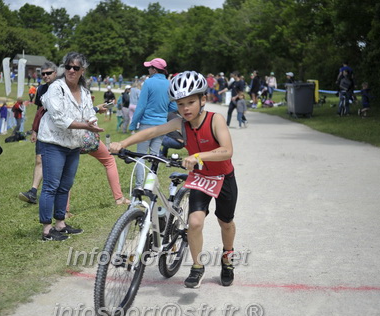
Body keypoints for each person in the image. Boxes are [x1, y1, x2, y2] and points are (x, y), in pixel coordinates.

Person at [110, 71, 238, 288]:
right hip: (201, 177)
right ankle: (197, 267)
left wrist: (198, 156)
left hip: (223, 177)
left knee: (225, 223)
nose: (185, 108)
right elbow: (151, 132)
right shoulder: (180, 123)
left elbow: (227, 151)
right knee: (194, 223)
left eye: (190, 102)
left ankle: (227, 259)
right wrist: (123, 143)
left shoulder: (215, 120)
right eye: (180, 104)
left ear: (203, 100)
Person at [38, 51, 104, 241]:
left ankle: (60, 223)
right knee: (51, 185)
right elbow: (59, 118)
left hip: (73, 144)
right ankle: (46, 229)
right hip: (53, 142)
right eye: (68, 66)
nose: (71, 70)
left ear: (82, 70)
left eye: (76, 67)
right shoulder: (56, 88)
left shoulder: (83, 91)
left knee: (65, 185)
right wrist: (85, 126)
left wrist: (92, 121)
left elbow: (89, 112)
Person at [129, 57, 178, 188]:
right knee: (155, 156)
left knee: (141, 157)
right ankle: (150, 185)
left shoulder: (149, 83)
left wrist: (133, 124)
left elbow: (141, 106)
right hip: (162, 125)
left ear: (154, 70)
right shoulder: (169, 84)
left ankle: (139, 185)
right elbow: (173, 107)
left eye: (149, 68)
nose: (148, 70)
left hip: (146, 124)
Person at [19, 61, 58, 204]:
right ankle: (33, 192)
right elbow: (39, 111)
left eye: (49, 73)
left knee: (56, 162)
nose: (46, 76)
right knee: (39, 159)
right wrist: (34, 130)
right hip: (43, 129)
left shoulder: (61, 87)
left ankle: (54, 193)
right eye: (43, 74)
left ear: (55, 73)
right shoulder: (41, 89)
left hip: (59, 131)